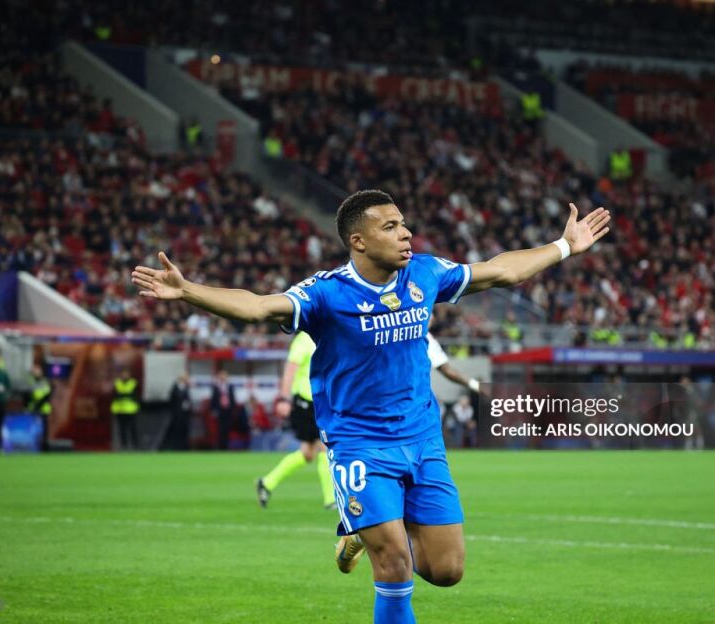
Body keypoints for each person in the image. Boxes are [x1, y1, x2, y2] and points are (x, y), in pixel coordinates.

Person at [132, 189, 610, 623]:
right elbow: (258, 306)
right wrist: (188, 290)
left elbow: (501, 270)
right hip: (360, 444)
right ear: (358, 241)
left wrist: (564, 246)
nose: (406, 234)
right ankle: (374, 530)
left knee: (447, 570)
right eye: (391, 227)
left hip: (423, 439)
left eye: (404, 224)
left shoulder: (425, 273)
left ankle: (361, 529)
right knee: (395, 561)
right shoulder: (326, 294)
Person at [256, 331, 335, 510]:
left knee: (307, 453)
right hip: (306, 403)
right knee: (324, 447)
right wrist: (284, 398)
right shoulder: (304, 339)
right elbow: (290, 370)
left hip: (320, 402)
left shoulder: (324, 335)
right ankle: (331, 499)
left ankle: (267, 483)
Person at [111, 369, 140, 450]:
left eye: (126, 374)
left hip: (131, 409)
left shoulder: (133, 383)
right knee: (122, 428)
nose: (124, 375)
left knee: (132, 427)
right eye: (123, 374)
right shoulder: (117, 383)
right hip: (120, 409)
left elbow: (137, 396)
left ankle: (135, 444)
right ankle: (124, 445)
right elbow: (113, 396)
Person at [27, 364, 53, 452]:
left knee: (44, 429)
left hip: (43, 408)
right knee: (33, 429)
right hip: (33, 408)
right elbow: (27, 394)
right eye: (34, 371)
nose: (36, 372)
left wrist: (39, 403)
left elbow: (48, 394)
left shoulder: (45, 381)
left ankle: (44, 447)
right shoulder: (29, 381)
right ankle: (33, 446)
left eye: (38, 370)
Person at [165, 372, 193, 450]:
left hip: (185, 413)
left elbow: (188, 399)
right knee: (176, 430)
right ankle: (176, 446)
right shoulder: (175, 388)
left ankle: (185, 446)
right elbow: (172, 401)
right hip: (177, 413)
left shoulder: (186, 388)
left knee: (185, 429)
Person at [211, 369, 236, 450]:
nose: (223, 377)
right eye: (221, 376)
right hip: (220, 410)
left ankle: (226, 445)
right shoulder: (216, 387)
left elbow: (232, 398)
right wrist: (213, 409)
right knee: (220, 428)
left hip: (228, 410)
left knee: (227, 427)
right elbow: (213, 399)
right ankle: (221, 446)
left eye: (224, 376)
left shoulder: (230, 386)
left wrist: (233, 409)